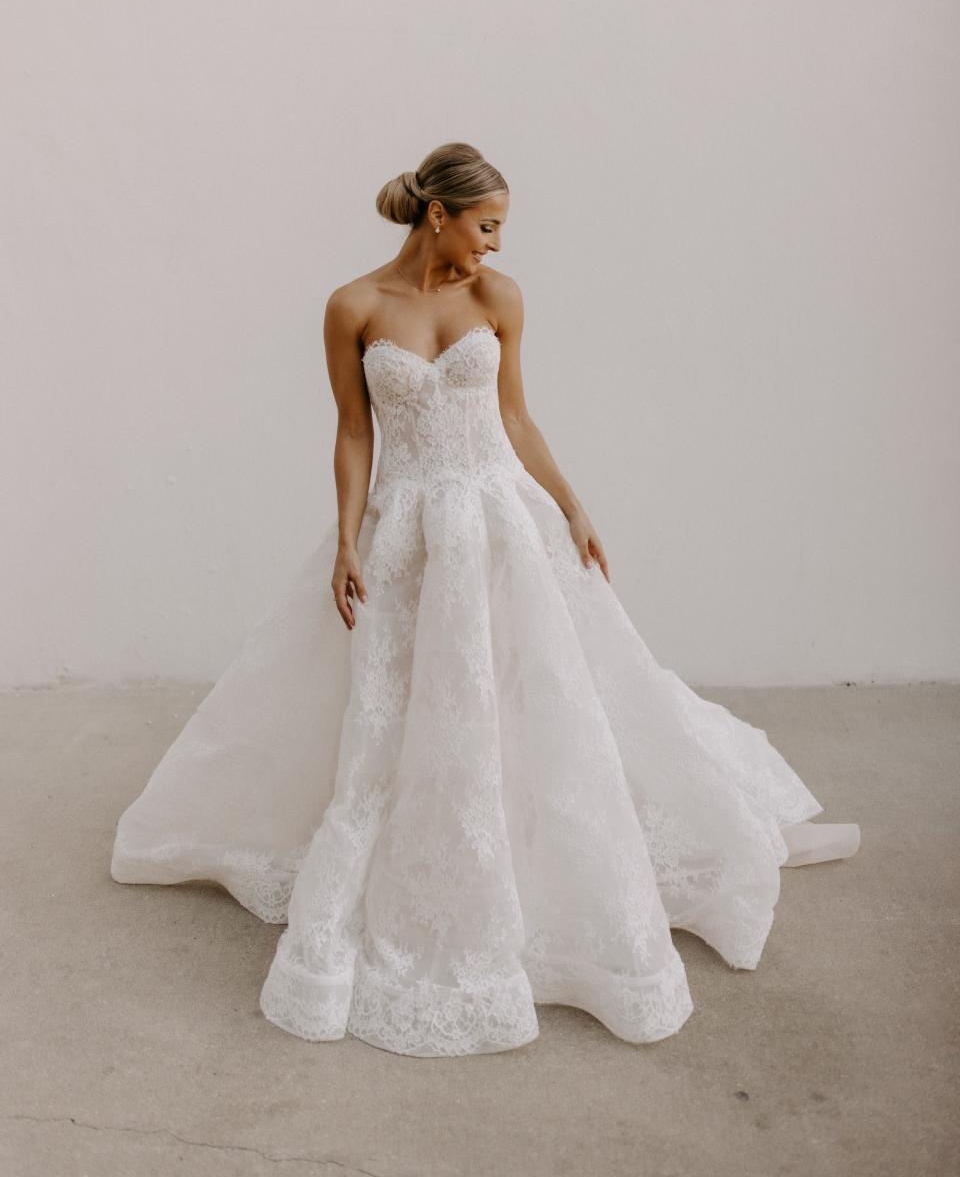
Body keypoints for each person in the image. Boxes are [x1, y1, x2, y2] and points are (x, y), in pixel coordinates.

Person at [111, 140, 860, 1058]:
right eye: (487, 225)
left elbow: (514, 416)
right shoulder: (353, 306)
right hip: (405, 532)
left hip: (500, 525)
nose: (497, 245)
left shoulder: (497, 299)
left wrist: (573, 505)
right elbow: (354, 432)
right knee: (396, 719)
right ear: (439, 215)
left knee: (533, 695)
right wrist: (346, 538)